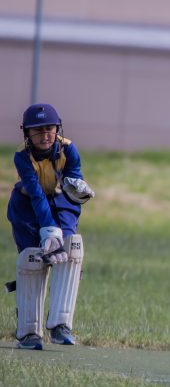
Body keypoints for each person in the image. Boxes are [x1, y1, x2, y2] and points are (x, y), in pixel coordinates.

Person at [7, 103, 94, 349]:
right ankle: (28, 332)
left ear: (57, 128)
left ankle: (60, 326)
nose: (45, 135)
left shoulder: (69, 148)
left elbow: (73, 184)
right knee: (33, 258)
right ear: (27, 133)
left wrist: (79, 188)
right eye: (38, 130)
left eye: (49, 129)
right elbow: (35, 194)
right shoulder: (21, 156)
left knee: (71, 248)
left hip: (60, 201)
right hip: (26, 206)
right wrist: (48, 229)